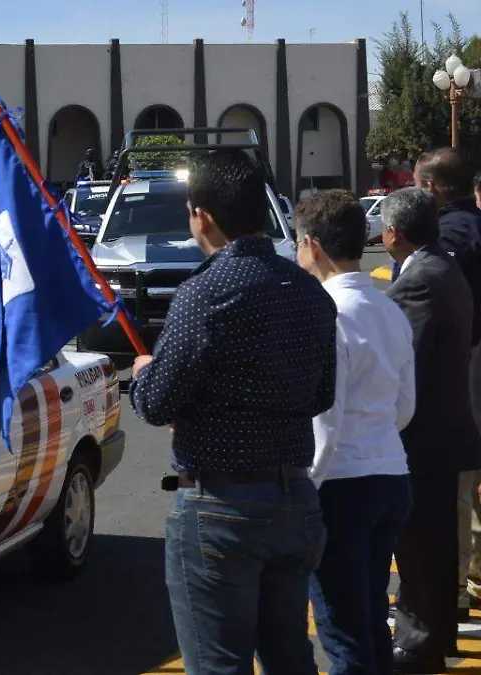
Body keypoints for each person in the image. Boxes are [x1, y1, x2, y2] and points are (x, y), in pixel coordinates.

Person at [129, 149, 337, 675]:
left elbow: (156, 403)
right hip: (296, 500)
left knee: (219, 663)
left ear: (202, 215)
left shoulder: (203, 293)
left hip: (221, 505)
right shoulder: (309, 291)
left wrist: (142, 374)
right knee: (291, 655)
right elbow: (322, 394)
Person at [293, 190, 415, 675]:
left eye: (300, 243)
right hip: (390, 473)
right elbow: (405, 405)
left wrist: (307, 486)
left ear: (314, 245)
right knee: (368, 621)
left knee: (343, 630)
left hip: (339, 483)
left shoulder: (324, 312)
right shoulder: (389, 308)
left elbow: (324, 417)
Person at [382, 186, 481, 672]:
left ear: (392, 233)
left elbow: (407, 368)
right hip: (448, 435)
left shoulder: (418, 280)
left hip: (423, 442)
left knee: (421, 550)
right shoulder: (443, 266)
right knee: (437, 548)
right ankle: (433, 636)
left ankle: (419, 642)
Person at [411, 148, 481, 621]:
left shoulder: (448, 240)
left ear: (432, 188)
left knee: (458, 485)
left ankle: (456, 584)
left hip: (462, 368)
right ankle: (472, 576)